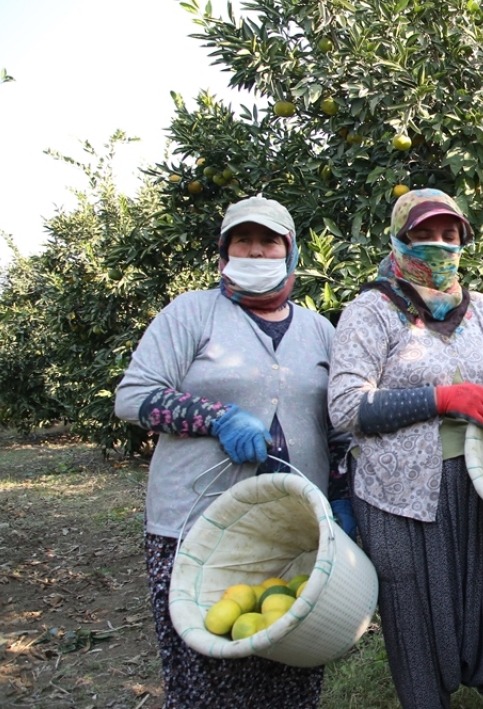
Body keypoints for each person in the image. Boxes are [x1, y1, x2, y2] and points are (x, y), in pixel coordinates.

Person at [326, 188, 483, 709]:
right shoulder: (371, 311)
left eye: (449, 234)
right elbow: (346, 406)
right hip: (399, 494)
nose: (438, 245)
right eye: (424, 234)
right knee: (417, 616)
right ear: (399, 240)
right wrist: (440, 398)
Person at [115, 195, 350, 709]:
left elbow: (338, 426)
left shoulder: (319, 330)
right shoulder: (191, 313)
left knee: (292, 665)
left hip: (294, 531)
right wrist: (215, 417)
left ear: (290, 251)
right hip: (197, 525)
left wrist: (341, 499)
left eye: (269, 241)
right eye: (243, 240)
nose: (256, 251)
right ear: (224, 251)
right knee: (208, 673)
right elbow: (133, 397)